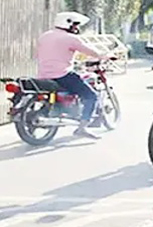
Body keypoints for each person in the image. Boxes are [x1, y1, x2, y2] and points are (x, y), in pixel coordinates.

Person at [36, 11, 111, 139]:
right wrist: (104, 55)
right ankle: (83, 127)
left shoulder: (44, 36)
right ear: (68, 23)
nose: (76, 28)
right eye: (75, 25)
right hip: (62, 75)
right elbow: (89, 51)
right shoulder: (70, 38)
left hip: (43, 75)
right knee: (91, 96)